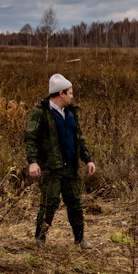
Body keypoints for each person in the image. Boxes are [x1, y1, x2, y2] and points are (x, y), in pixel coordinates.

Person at [24, 73, 97, 248]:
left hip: (70, 167)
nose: (72, 96)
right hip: (51, 168)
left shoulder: (71, 112)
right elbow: (30, 139)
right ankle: (40, 239)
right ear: (61, 93)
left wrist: (88, 159)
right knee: (49, 204)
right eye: (70, 93)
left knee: (75, 204)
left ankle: (80, 239)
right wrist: (32, 162)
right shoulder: (40, 113)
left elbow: (79, 138)